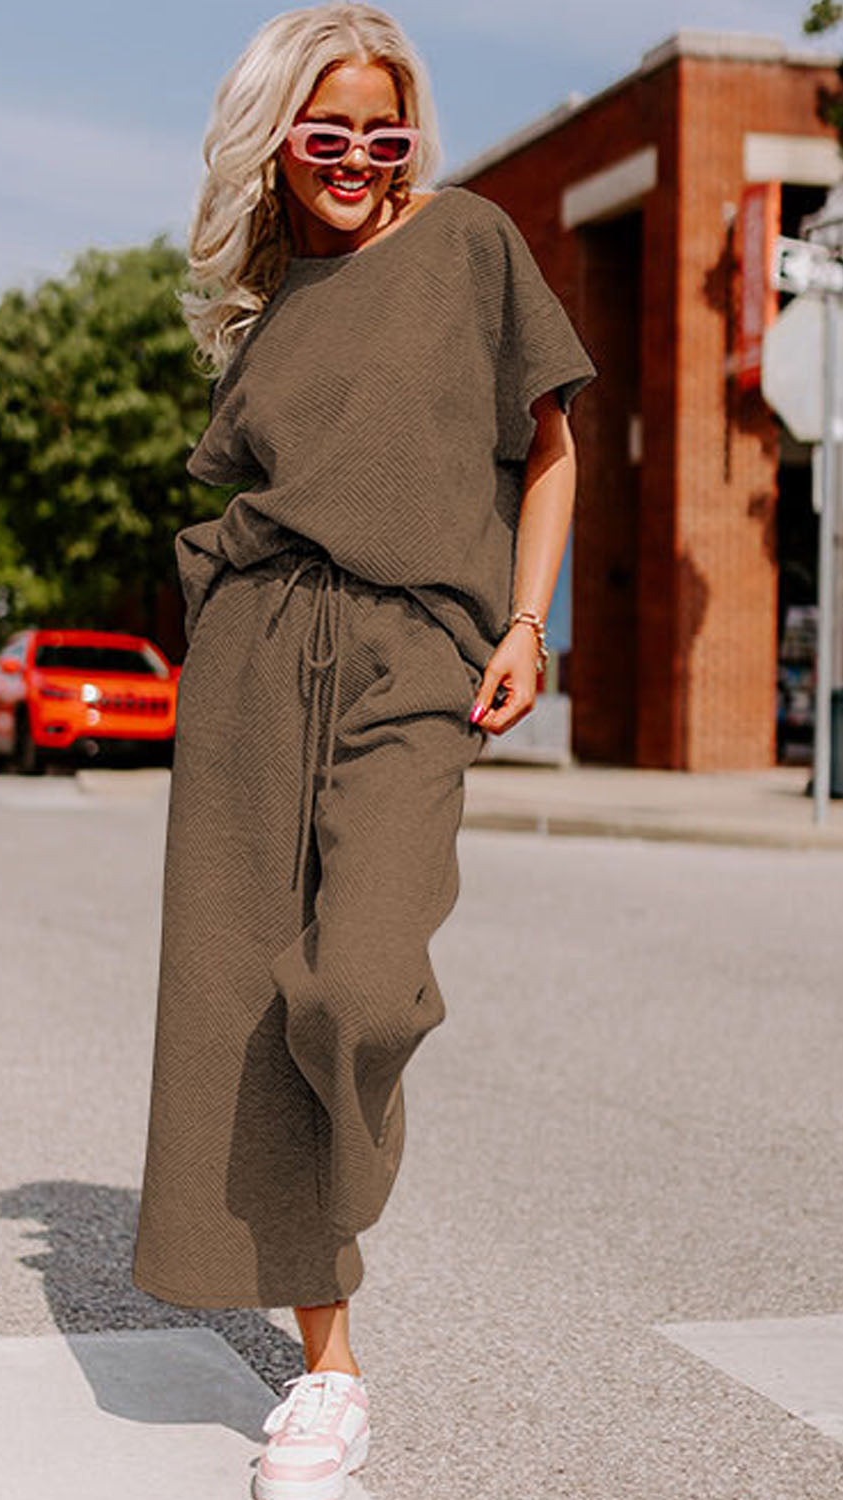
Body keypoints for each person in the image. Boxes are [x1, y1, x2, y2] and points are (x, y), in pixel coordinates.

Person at [131, 5, 597, 1496]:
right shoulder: (272, 314)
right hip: (257, 655)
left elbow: (552, 443)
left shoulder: (466, 242)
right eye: (321, 135)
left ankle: (339, 1187)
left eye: (380, 135)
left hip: (419, 651)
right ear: (275, 145)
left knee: (355, 982)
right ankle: (327, 1367)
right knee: (238, 1001)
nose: (352, 161)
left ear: (413, 142)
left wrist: (526, 626)